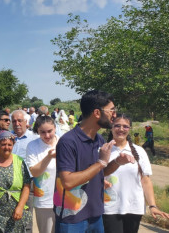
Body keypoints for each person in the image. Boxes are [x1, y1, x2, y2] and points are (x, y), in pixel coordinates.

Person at [54, 90, 134, 232]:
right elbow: (68, 182)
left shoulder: (99, 139)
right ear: (97, 113)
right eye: (112, 111)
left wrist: (116, 163)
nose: (114, 115)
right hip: (72, 218)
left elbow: (99, 173)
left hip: (95, 214)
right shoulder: (68, 141)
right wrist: (101, 163)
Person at [103, 114, 169, 233]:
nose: (121, 129)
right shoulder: (103, 150)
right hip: (109, 207)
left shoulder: (139, 151)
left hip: (134, 207)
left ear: (130, 129)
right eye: (117, 125)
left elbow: (145, 181)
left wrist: (152, 206)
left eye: (125, 126)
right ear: (111, 127)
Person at [0, 130, 32, 233]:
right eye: (3, 144)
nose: (6, 147)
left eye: (9, 145)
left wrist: (20, 207)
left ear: (13, 144)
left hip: (15, 214)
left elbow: (27, 186)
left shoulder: (19, 161)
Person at [26, 115, 58, 233]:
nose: (47, 135)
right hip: (44, 201)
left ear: (55, 128)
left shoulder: (64, 142)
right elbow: (34, 172)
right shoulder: (33, 146)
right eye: (42, 132)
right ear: (37, 132)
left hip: (65, 199)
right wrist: (49, 157)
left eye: (50, 131)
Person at [9, 109, 38, 232]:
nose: (17, 124)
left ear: (26, 122)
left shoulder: (35, 139)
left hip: (28, 182)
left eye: (20, 121)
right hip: (10, 183)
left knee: (26, 217)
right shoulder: (7, 138)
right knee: (11, 215)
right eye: (14, 121)